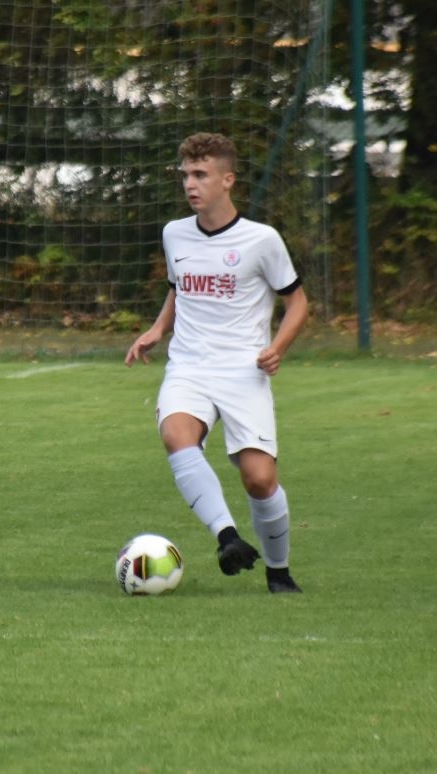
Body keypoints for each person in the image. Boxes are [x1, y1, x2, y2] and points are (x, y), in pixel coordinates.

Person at [125, 132, 308, 594]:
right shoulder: (174, 233)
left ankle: (279, 571)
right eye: (186, 174)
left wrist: (278, 347)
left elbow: (298, 302)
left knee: (260, 480)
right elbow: (178, 288)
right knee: (176, 435)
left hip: (244, 371)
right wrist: (157, 329)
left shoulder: (261, 240)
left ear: (227, 180)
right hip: (189, 366)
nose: (191, 184)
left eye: (201, 174)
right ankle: (227, 536)